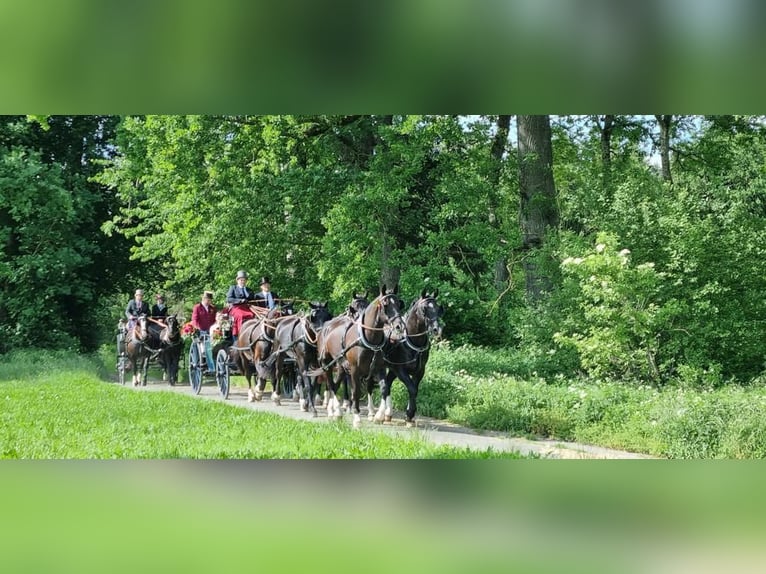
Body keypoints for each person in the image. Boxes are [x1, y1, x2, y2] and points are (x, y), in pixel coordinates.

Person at [226, 270, 257, 336]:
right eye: (241, 280)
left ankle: (252, 332)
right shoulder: (233, 288)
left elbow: (253, 299)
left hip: (247, 307)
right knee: (241, 315)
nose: (243, 281)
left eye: (244, 280)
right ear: (237, 280)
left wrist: (246, 292)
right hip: (236, 307)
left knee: (252, 315)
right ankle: (240, 333)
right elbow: (229, 299)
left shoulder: (249, 290)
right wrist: (240, 301)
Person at [192, 291, 217, 371]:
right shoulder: (197, 307)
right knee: (204, 341)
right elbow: (195, 319)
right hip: (201, 330)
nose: (209, 302)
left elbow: (215, 319)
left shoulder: (212, 308)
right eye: (208, 300)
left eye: (210, 300)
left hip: (211, 330)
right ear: (204, 299)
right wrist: (197, 327)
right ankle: (202, 357)